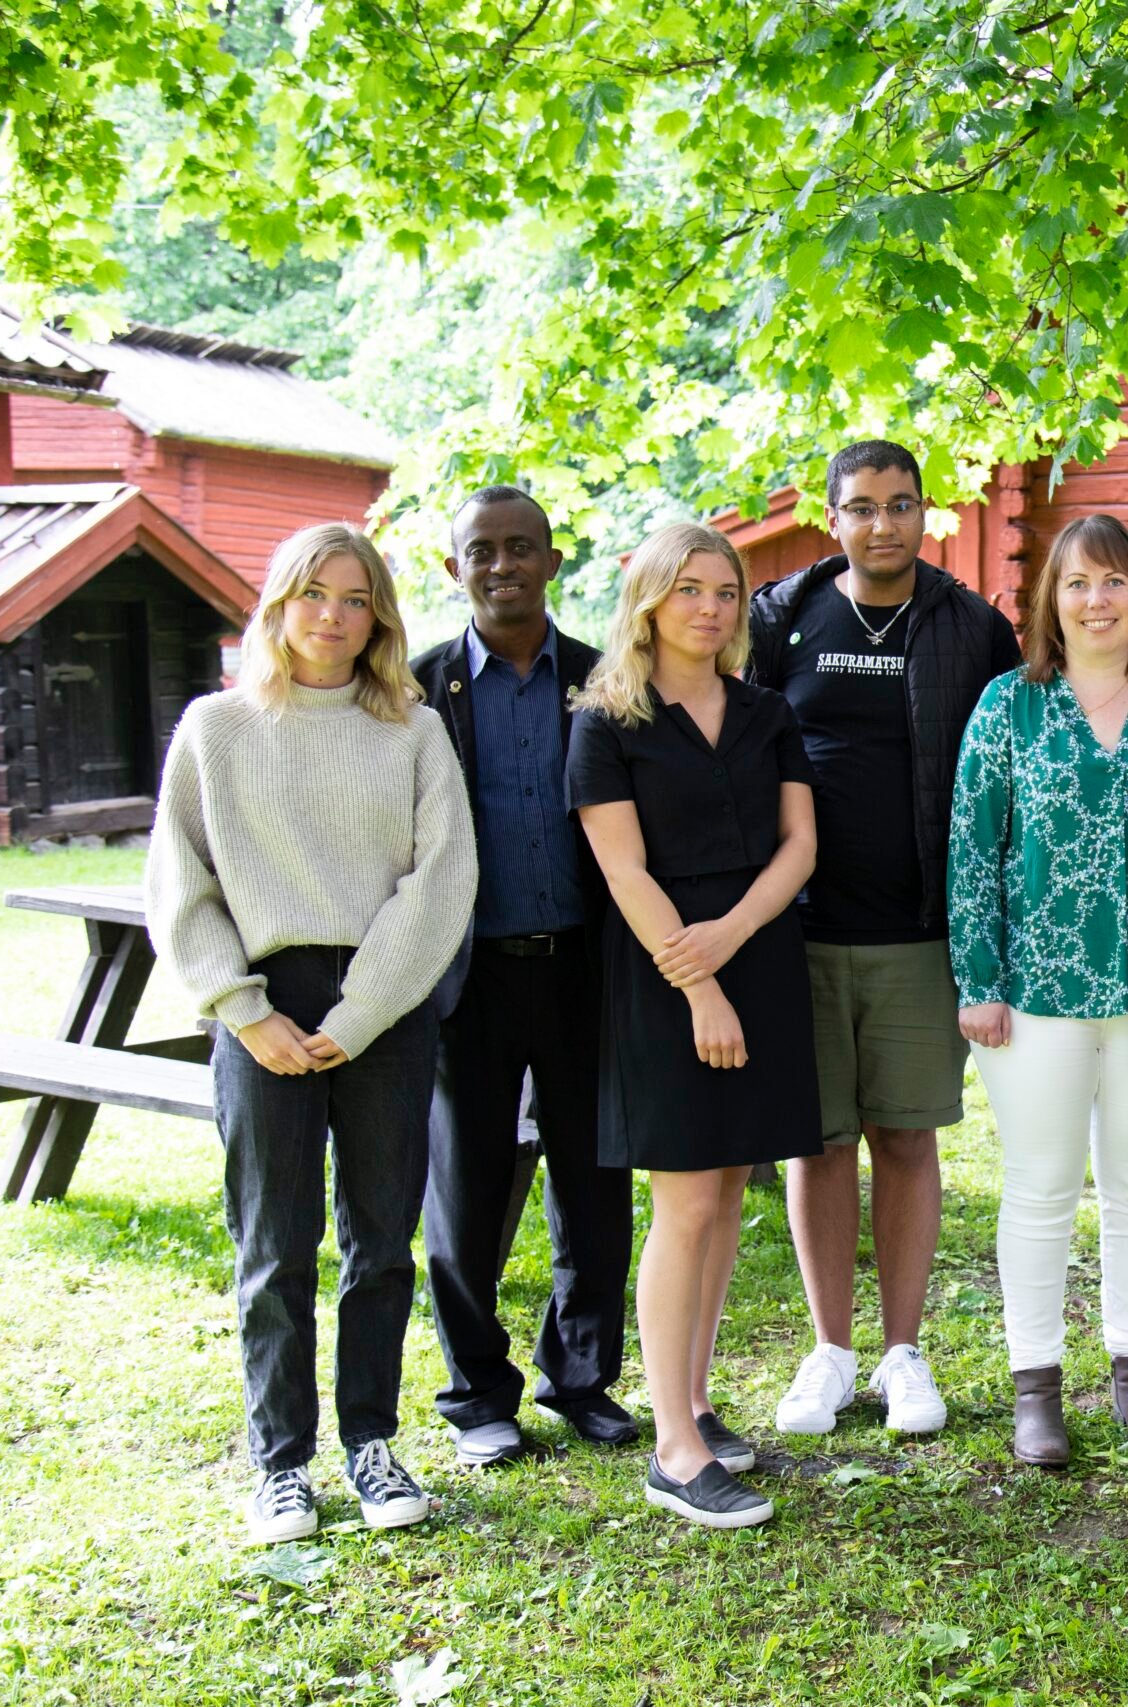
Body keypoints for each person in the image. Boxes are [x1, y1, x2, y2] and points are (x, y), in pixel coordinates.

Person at [145, 523, 475, 1544]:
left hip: (384, 997)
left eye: (356, 597)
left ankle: (371, 1442)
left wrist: (361, 1013)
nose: (332, 616)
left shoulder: (412, 730)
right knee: (273, 1243)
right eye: (313, 595)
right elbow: (180, 885)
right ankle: (280, 1463)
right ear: (278, 605)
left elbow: (441, 880)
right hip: (263, 1003)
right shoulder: (218, 728)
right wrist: (246, 1013)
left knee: (381, 1243)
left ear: (379, 614)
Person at [745, 440, 1021, 1438]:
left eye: (900, 505)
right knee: (818, 1144)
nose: (882, 524)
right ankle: (830, 1352)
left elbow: (1009, 762)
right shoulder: (780, 620)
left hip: (917, 931)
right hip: (800, 932)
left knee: (903, 1137)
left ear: (924, 514)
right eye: (861, 507)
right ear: (832, 517)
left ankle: (903, 1352)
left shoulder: (970, 626)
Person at [568, 522, 823, 1530]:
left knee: (723, 1194)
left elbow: (800, 845)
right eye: (689, 590)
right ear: (647, 599)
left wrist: (737, 937)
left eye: (726, 591)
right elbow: (622, 869)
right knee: (683, 1203)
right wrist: (700, 982)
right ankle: (672, 1451)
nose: (711, 608)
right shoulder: (606, 719)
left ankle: (698, 1403)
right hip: (663, 972)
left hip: (756, 956)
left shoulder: (765, 712)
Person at [949, 515, 1128, 1464]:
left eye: (1114, 582)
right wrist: (978, 979)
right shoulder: (1007, 706)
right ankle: (1037, 1388)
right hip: (1035, 993)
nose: (1096, 601)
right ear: (1049, 602)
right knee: (1039, 1187)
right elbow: (972, 848)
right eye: (1076, 584)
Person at [412, 486, 635, 1468]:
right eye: (480, 552)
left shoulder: (603, 680)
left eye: (520, 549)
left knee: (594, 1186)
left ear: (553, 561)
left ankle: (580, 1380)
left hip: (586, 969)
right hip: (468, 980)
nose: (501, 566)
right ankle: (476, 1397)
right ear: (453, 567)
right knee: (462, 1193)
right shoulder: (414, 692)